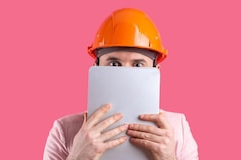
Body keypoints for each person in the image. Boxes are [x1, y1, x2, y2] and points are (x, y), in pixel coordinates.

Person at [43, 8, 199, 160]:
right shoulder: (64, 130)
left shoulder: (178, 129)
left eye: (138, 65)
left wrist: (168, 158)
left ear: (156, 71)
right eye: (114, 64)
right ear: (96, 67)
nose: (125, 73)